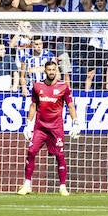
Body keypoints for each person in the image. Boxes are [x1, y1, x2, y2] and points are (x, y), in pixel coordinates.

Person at [18, 59, 78, 196]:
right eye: (49, 70)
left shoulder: (64, 87)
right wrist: (28, 125)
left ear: (56, 71)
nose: (51, 72)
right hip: (40, 127)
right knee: (31, 151)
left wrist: (75, 122)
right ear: (45, 71)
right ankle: (27, 184)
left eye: (53, 70)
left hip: (56, 128)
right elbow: (33, 106)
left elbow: (70, 105)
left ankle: (62, 186)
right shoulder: (37, 86)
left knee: (60, 155)